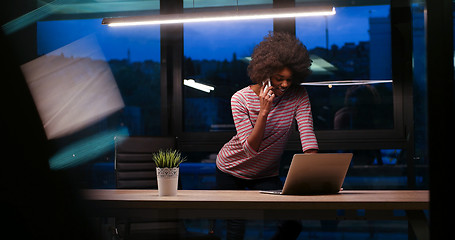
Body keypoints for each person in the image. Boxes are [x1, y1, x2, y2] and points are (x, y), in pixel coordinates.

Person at [215, 32, 319, 240]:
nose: (285, 85)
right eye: (279, 79)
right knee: (235, 229)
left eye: (290, 79)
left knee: (292, 224)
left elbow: (307, 136)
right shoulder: (240, 99)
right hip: (231, 169)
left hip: (266, 173)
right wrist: (264, 111)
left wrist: (316, 173)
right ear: (265, 72)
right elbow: (250, 148)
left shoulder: (298, 96)